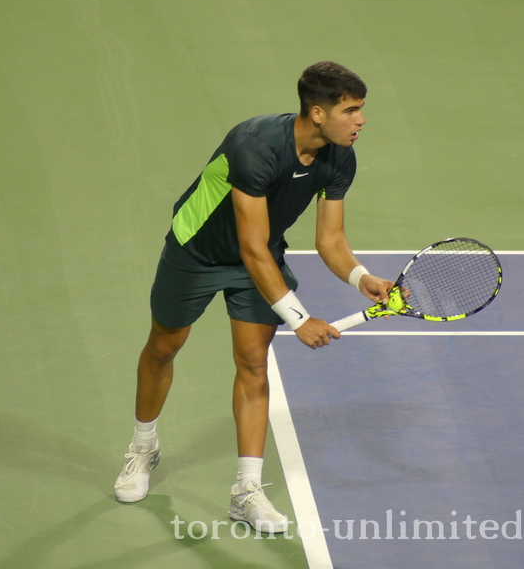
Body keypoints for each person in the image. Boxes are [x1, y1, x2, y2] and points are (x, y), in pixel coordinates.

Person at [114, 61, 393, 533]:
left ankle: (246, 490)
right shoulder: (255, 145)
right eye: (351, 110)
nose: (361, 120)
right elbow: (250, 247)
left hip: (258, 261)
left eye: (361, 109)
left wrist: (360, 277)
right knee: (164, 346)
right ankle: (143, 446)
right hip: (196, 251)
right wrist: (299, 318)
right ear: (318, 113)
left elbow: (330, 240)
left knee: (253, 365)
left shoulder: (340, 157)